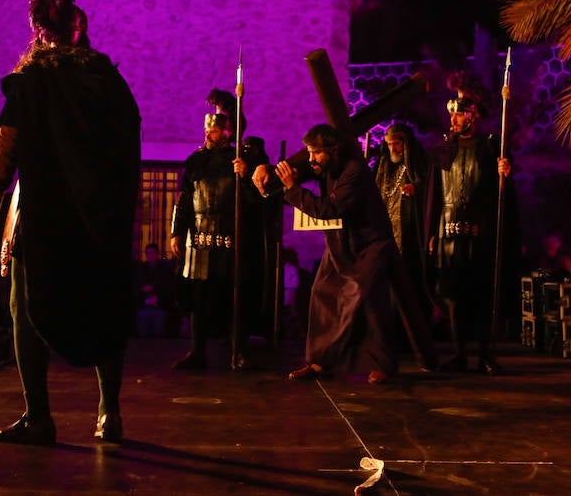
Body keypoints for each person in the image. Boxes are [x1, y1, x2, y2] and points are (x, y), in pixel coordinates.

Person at [0, 0, 141, 446]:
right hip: (99, 218)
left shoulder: (30, 82)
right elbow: (128, 146)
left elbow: (5, 148)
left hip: (42, 218)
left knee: (23, 310)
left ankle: (39, 417)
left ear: (39, 33)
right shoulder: (110, 83)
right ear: (79, 29)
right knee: (105, 306)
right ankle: (110, 415)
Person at [249, 123, 399, 384]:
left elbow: (328, 208)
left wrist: (293, 189)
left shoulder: (355, 172)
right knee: (322, 295)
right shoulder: (322, 166)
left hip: (370, 245)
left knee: (366, 298)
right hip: (342, 244)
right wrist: (264, 169)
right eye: (309, 152)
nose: (311, 159)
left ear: (333, 150)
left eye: (316, 153)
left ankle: (382, 364)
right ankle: (320, 362)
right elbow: (289, 171)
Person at [169, 89, 271, 371]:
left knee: (235, 293)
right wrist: (177, 232)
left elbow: (257, 199)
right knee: (198, 295)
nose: (208, 135)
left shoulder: (241, 158)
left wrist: (246, 176)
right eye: (207, 130)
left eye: (214, 131)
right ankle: (197, 352)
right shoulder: (195, 161)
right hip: (198, 236)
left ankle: (238, 351)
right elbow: (184, 198)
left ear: (227, 132)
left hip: (231, 234)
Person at [427, 71, 518, 374]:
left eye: (459, 115)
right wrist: (430, 231)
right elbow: (435, 193)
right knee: (451, 294)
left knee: (481, 293)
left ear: (473, 116)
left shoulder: (490, 147)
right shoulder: (443, 150)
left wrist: (505, 176)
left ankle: (485, 355)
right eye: (452, 115)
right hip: (446, 230)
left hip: (479, 230)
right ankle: (459, 353)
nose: (453, 120)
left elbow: (499, 193)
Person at [367, 123, 439, 370]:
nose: (393, 148)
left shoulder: (419, 165)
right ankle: (387, 341)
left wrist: (415, 191)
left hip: (408, 238)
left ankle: (411, 342)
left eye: (396, 143)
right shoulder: (383, 166)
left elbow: (431, 194)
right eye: (388, 144)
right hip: (385, 236)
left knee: (409, 288)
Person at [133, 242, 180, 338]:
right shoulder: (142, 268)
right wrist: (144, 292)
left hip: (161, 302)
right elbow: (138, 284)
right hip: (143, 301)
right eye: (148, 253)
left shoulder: (165, 269)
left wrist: (156, 295)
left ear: (157, 254)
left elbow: (168, 287)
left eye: (152, 253)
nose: (150, 256)